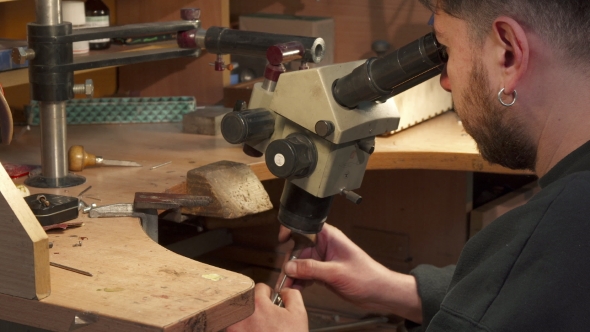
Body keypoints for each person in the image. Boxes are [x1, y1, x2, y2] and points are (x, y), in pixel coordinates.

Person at [229, 0, 590, 330]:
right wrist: (392, 290)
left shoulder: (555, 234)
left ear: (508, 53)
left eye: (445, 50)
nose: (446, 82)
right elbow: (507, 301)